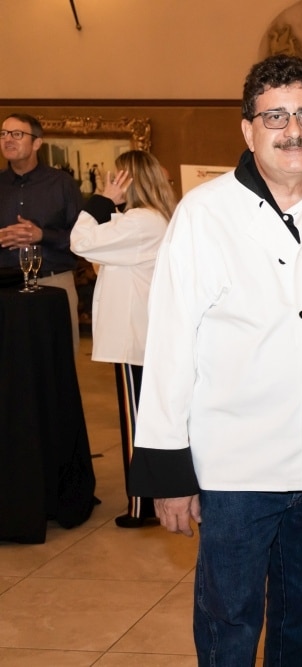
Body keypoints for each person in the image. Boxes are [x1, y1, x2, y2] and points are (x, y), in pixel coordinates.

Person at [128, 54, 302, 665]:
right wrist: (169, 472)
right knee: (230, 621)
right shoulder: (204, 212)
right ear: (248, 129)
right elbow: (170, 343)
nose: (293, 130)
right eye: (275, 117)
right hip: (237, 465)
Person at [69, 150, 176, 529]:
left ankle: (142, 505)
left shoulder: (142, 221)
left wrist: (100, 201)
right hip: (140, 336)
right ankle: (148, 499)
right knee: (144, 420)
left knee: (137, 423)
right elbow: (102, 252)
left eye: (115, 177)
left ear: (129, 181)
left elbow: (80, 242)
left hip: (135, 338)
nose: (109, 182)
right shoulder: (146, 219)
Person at [0, 113, 84, 351]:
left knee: (58, 357)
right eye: (3, 134)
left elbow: (84, 238)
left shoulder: (62, 184)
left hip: (54, 282)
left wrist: (42, 236)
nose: (8, 139)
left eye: (17, 134)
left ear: (37, 142)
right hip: (5, 285)